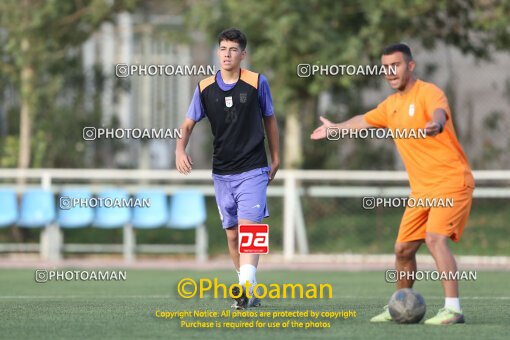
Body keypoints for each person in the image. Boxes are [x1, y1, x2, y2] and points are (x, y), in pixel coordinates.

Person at [311, 43, 474, 325]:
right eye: (385, 67)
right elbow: (364, 119)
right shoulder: (391, 106)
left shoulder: (429, 92)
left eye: (395, 65)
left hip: (451, 181)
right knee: (402, 250)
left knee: (434, 239)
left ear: (410, 66)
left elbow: (439, 112)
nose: (389, 72)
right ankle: (400, 305)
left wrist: (435, 124)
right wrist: (334, 128)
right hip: (422, 191)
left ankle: (453, 309)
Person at [176, 28, 280, 309]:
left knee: (251, 231)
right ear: (217, 52)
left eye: (233, 50)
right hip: (222, 172)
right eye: (222, 49)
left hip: (254, 169)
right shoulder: (204, 87)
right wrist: (179, 149)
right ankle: (248, 286)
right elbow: (187, 125)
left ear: (242, 55)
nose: (227, 54)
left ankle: (244, 291)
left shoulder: (258, 83)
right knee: (233, 236)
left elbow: (270, 119)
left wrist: (276, 156)